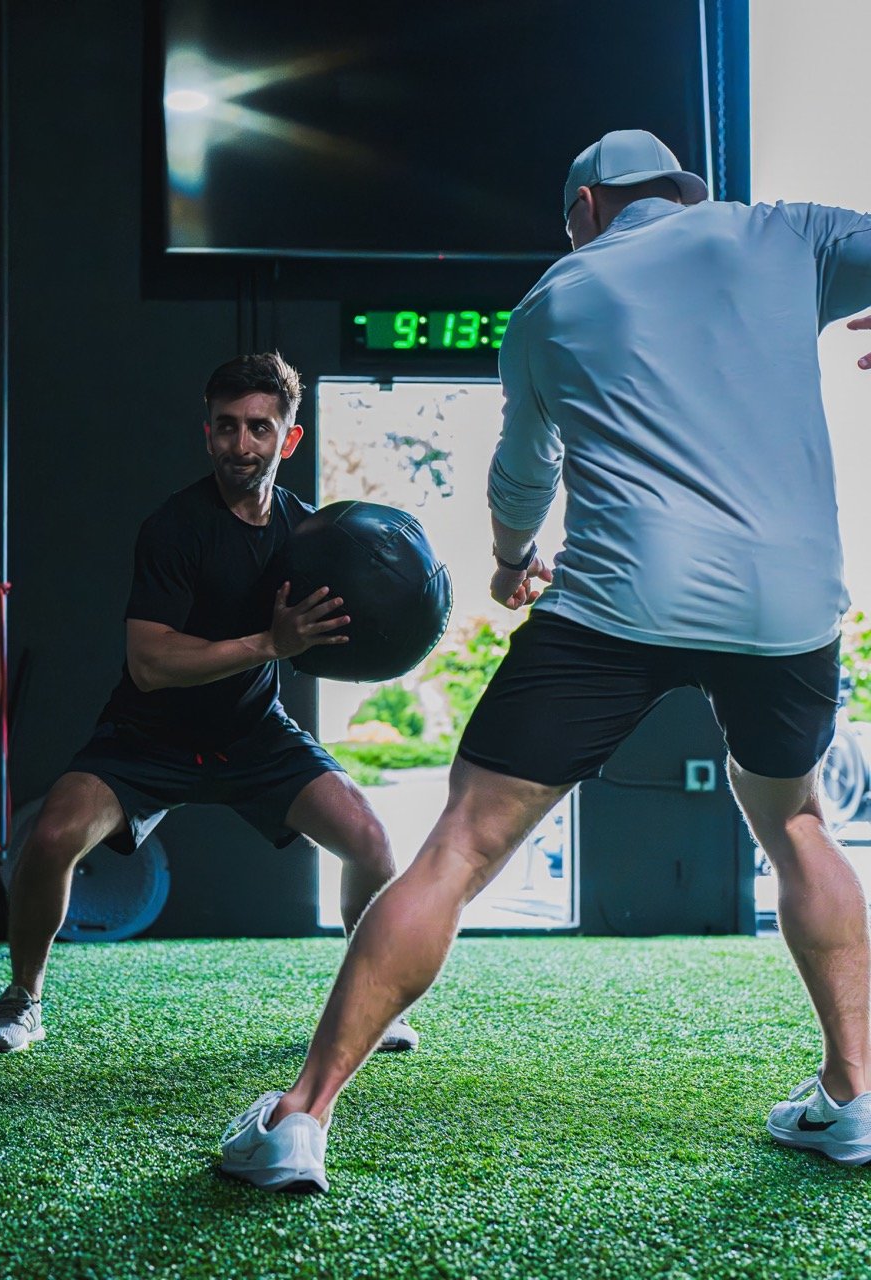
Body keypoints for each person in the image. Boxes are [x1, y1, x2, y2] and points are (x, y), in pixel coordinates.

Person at [220, 131, 871, 1191]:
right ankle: (854, 1097)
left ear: (584, 206)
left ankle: (297, 1118)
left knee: (463, 845)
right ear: (672, 193)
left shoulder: (554, 300)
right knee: (797, 820)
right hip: (788, 599)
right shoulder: (781, 233)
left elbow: (523, 473)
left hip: (624, 596)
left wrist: (512, 561)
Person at [0, 352, 418, 1054]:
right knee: (53, 837)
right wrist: (268, 646)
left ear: (289, 439)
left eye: (259, 429)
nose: (241, 445)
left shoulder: (309, 541)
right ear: (206, 432)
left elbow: (333, 633)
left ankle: (365, 1003)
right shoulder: (175, 528)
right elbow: (149, 665)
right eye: (226, 427)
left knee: (370, 844)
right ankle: (23, 998)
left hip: (251, 732)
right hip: (148, 734)